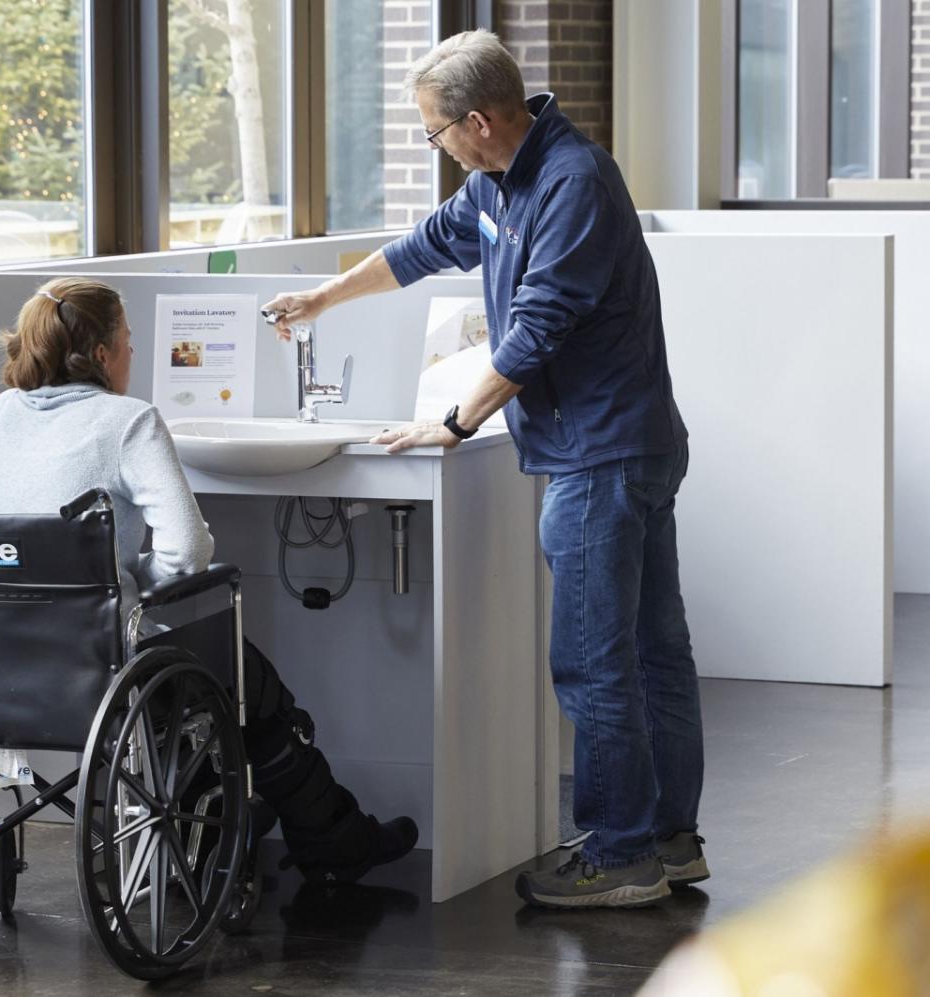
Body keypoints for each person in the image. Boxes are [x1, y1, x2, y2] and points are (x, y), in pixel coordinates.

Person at [262, 29, 705, 909]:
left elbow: (539, 327)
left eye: (434, 132)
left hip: (603, 454)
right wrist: (324, 298)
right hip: (621, 445)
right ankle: (666, 837)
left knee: (595, 662)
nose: (435, 147)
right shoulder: (498, 180)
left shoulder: (573, 182)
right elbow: (424, 247)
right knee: (655, 653)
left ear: (477, 120)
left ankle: (622, 855)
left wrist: (454, 422)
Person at [0, 276, 418, 885]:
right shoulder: (130, 421)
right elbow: (189, 550)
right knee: (251, 683)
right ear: (103, 354)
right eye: (129, 341)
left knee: (218, 673)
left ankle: (228, 822)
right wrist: (132, 580)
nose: (134, 353)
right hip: (97, 662)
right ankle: (326, 838)